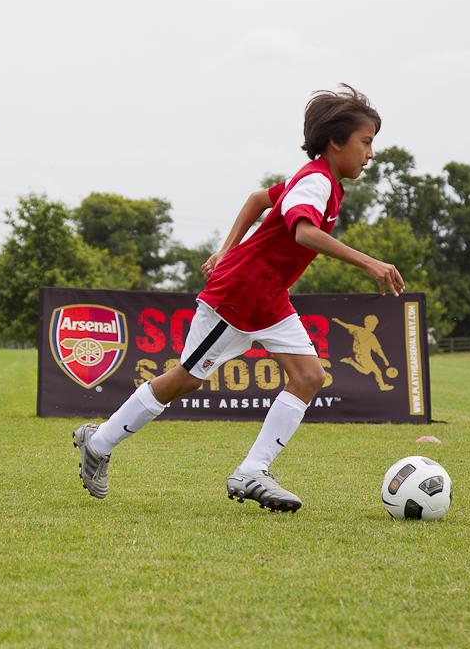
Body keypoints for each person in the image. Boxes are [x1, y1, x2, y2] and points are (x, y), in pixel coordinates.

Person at [73, 85, 404, 512]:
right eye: (366, 141)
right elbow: (303, 231)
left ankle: (252, 471)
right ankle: (98, 443)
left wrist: (226, 248)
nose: (371, 153)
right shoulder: (317, 182)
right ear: (336, 142)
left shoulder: (323, 183)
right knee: (184, 380)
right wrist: (369, 263)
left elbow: (256, 200)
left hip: (269, 300)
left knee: (308, 378)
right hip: (237, 298)